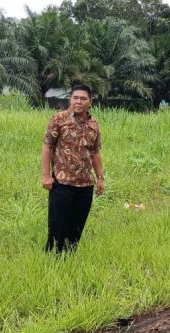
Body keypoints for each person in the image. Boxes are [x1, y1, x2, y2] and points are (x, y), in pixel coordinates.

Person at [41, 84, 104, 253]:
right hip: (62, 183)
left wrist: (100, 178)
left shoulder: (94, 125)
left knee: (76, 228)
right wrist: (46, 175)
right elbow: (47, 146)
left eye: (83, 98)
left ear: (90, 102)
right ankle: (52, 260)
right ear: (70, 99)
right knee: (56, 226)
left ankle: (69, 260)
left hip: (85, 186)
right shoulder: (58, 119)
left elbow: (96, 152)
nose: (78, 101)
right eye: (75, 97)